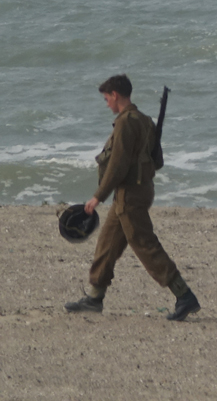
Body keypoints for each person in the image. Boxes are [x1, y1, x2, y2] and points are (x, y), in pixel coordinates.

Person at [63, 74, 200, 320]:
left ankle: (185, 296)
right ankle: (95, 298)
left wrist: (98, 197)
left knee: (145, 245)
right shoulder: (144, 120)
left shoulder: (126, 122)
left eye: (107, 99)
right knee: (107, 244)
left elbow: (118, 163)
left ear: (115, 95)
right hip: (136, 191)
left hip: (130, 195)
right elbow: (155, 160)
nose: (107, 104)